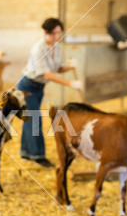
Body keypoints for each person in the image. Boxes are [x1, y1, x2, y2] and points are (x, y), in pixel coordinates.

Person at [17, 18, 83, 167]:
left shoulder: (55, 46)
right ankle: (38, 156)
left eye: (58, 33)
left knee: (30, 119)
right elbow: (47, 74)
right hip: (28, 86)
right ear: (45, 32)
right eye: (53, 33)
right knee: (34, 120)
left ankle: (26, 154)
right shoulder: (37, 49)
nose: (56, 36)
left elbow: (57, 69)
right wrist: (70, 84)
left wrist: (69, 67)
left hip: (39, 88)